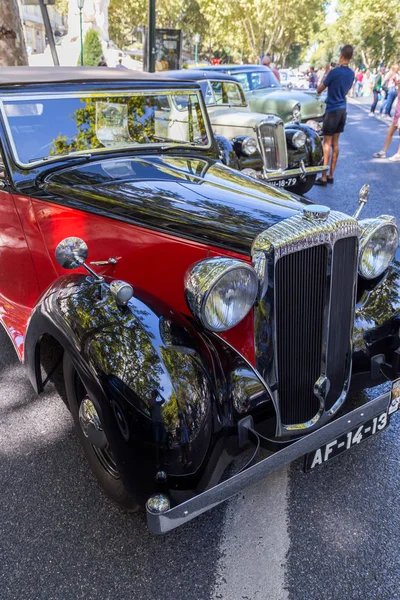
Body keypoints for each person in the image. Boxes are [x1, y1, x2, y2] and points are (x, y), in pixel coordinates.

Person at [314, 44, 355, 186]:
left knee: (327, 142)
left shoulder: (333, 72)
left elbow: (319, 89)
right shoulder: (351, 73)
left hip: (332, 109)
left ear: (341, 55)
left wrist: (326, 72)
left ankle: (323, 176)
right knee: (336, 144)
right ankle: (331, 174)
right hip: (343, 109)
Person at [373, 71, 400, 161]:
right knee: (389, 132)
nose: (397, 81)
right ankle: (383, 151)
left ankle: (398, 154)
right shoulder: (398, 89)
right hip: (397, 114)